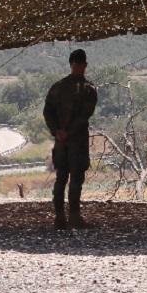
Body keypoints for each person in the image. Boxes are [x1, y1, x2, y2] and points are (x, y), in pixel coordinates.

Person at [43, 48, 98, 229]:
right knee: (76, 178)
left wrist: (57, 131)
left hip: (60, 142)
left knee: (61, 178)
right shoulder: (89, 89)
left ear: (70, 63)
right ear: (85, 65)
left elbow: (47, 112)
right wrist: (69, 132)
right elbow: (84, 116)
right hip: (77, 142)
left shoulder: (57, 87)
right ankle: (74, 217)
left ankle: (59, 218)